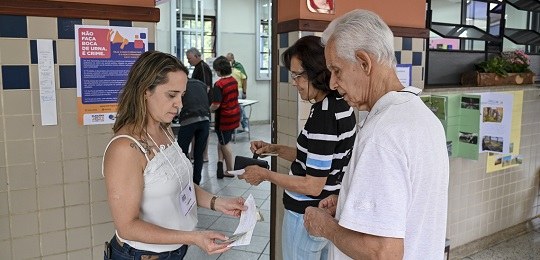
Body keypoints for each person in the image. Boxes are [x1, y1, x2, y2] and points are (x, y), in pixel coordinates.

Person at [302, 10, 449, 259]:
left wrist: (326, 227)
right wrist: (352, 204)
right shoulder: (424, 117)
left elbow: (383, 253)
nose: (332, 84)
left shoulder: (382, 135)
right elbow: (407, 206)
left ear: (364, 62)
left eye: (337, 70)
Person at [102, 50, 246, 259]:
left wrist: (218, 202)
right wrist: (194, 237)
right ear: (145, 91)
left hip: (175, 249)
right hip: (142, 255)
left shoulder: (164, 129)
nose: (179, 104)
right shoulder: (125, 148)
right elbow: (127, 227)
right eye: (171, 95)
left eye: (182, 95)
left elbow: (181, 184)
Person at [239, 35, 357, 260]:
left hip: (306, 215)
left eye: (297, 75)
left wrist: (264, 174)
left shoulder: (324, 115)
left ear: (316, 72)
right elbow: (316, 158)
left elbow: (313, 184)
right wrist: (274, 149)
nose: (294, 82)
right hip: (324, 213)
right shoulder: (339, 105)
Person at [210, 56, 241, 179]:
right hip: (234, 115)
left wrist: (209, 109)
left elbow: (216, 104)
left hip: (224, 119)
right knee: (222, 140)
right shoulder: (233, 80)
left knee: (225, 143)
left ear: (218, 70)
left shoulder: (219, 84)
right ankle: (220, 162)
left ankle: (229, 170)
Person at [176, 78, 211, 185]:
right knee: (198, 153)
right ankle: (196, 182)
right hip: (205, 119)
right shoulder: (201, 83)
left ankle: (183, 180)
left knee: (181, 152)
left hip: (188, 120)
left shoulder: (180, 85)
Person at [186, 47, 212, 162]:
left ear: (197, 56)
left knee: (202, 131)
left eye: (190, 58)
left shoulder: (202, 67)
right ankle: (194, 153)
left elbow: (206, 88)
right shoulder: (197, 67)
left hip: (201, 105)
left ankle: (204, 155)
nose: (188, 61)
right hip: (197, 104)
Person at [226, 53, 250, 132]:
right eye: (227, 60)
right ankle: (232, 127)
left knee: (241, 108)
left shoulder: (239, 67)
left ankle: (245, 125)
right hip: (229, 91)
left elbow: (244, 79)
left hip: (238, 90)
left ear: (233, 59)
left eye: (229, 60)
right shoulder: (226, 68)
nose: (228, 62)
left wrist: (244, 91)